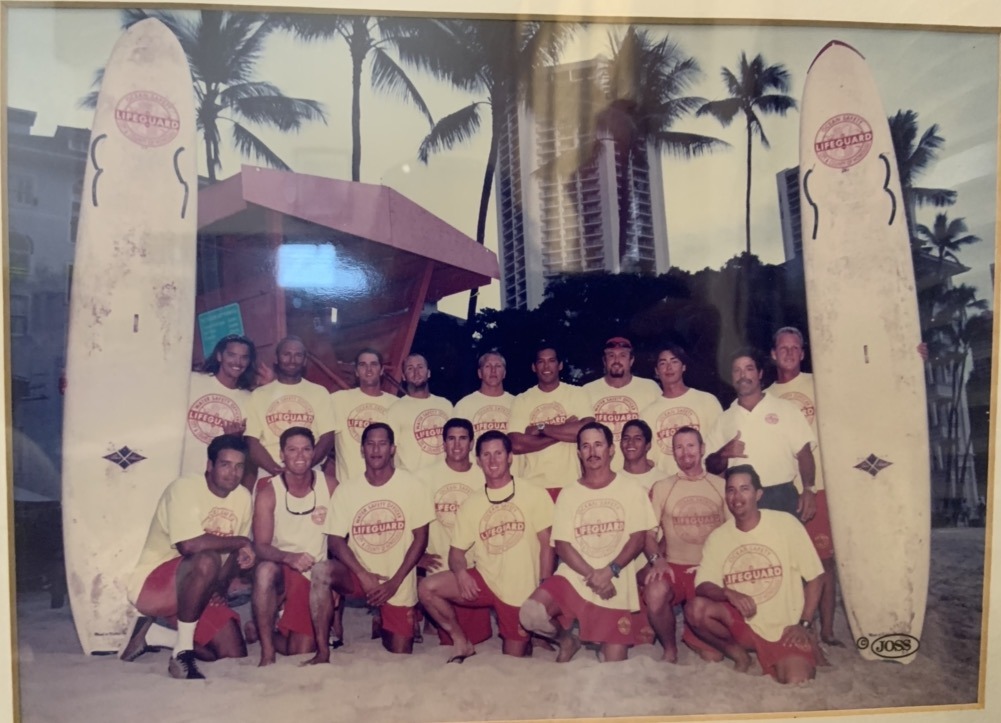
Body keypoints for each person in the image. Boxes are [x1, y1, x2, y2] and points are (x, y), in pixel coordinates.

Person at [519, 422, 656, 663]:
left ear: (611, 450)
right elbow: (562, 544)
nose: (592, 452)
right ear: (579, 453)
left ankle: (599, 637)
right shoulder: (570, 492)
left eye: (598, 445)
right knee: (531, 614)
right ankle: (567, 640)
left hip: (615, 580)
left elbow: (637, 539)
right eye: (586, 446)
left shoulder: (631, 489)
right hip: (577, 575)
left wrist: (610, 571)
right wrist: (594, 575)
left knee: (614, 664)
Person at [122, 434, 256, 679]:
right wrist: (243, 541)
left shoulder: (243, 498)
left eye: (239, 467)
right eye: (225, 464)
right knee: (207, 558)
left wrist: (221, 588)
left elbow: (232, 554)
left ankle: (154, 635)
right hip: (154, 586)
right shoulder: (184, 488)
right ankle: (182, 653)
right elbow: (189, 545)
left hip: (198, 586)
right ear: (210, 465)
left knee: (232, 652)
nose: (232, 473)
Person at [419, 430, 555, 661]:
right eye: (486, 455)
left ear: (510, 457)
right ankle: (461, 641)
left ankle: (531, 635)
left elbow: (547, 545)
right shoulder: (472, 503)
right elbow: (457, 551)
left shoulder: (534, 493)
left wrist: (542, 587)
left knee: (514, 657)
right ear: (479, 461)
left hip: (520, 588)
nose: (493, 460)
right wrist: (461, 572)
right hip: (485, 580)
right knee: (427, 588)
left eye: (498, 453)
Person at [305, 423, 433, 661]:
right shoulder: (347, 490)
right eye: (370, 444)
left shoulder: (413, 485)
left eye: (382, 443)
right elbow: (334, 540)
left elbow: (421, 538)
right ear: (362, 450)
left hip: (396, 580)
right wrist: (363, 574)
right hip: (359, 576)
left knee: (400, 650)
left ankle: (388, 618)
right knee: (321, 571)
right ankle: (322, 651)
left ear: (393, 449)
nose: (376, 450)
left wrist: (394, 582)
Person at [686, 465, 824, 684]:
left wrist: (804, 623)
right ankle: (739, 655)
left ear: (758, 494)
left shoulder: (786, 524)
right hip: (746, 628)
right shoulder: (719, 537)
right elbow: (702, 585)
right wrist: (728, 593)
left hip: (784, 630)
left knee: (797, 681)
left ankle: (794, 654)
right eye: (731, 490)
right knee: (696, 609)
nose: (737, 497)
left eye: (744, 489)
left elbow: (816, 578)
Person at [767, 326, 842, 646]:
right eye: (782, 348)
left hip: (820, 484)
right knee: (789, 562)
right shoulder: (766, 396)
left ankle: (826, 629)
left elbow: (865, 383)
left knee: (823, 559)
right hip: (782, 489)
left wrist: (910, 357)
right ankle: (795, 624)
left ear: (803, 352)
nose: (788, 353)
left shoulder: (819, 384)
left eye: (795, 348)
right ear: (773, 354)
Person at [249, 427, 338, 666]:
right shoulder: (269, 493)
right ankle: (267, 652)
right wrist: (288, 557)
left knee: (299, 651)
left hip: (315, 576)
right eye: (292, 450)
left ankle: (260, 626)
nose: (300, 456)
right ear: (281, 454)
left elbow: (342, 536)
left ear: (314, 453)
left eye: (306, 449)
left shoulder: (329, 485)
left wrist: (336, 578)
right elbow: (260, 547)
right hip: (283, 569)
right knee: (264, 571)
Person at [642, 426, 728, 662]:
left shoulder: (720, 486)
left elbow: (733, 534)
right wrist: (657, 560)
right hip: (675, 567)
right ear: (673, 453)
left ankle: (694, 635)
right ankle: (670, 648)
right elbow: (648, 535)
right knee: (655, 591)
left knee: (714, 657)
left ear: (702, 449)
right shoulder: (662, 487)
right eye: (678, 447)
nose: (685, 452)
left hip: (710, 570)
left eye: (690, 445)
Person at [704, 348, 816, 520]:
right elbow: (710, 466)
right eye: (737, 370)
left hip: (781, 495)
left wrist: (809, 489)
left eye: (749, 369)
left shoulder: (786, 409)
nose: (743, 376)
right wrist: (724, 453)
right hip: (741, 501)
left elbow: (804, 453)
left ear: (760, 373)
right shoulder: (723, 419)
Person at [417, 417, 493, 647]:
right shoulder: (424, 477)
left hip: (476, 567)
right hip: (439, 565)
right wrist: (418, 557)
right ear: (443, 443)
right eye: (451, 439)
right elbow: (410, 519)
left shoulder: (485, 475)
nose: (457, 445)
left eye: (463, 439)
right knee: (449, 638)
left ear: (472, 444)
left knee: (480, 637)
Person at [508, 344, 594, 499]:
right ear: (534, 367)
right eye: (541, 362)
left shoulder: (577, 393)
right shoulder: (522, 399)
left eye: (552, 361)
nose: (546, 366)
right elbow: (516, 444)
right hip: (533, 487)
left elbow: (587, 431)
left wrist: (541, 428)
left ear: (560, 365)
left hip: (571, 484)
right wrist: (565, 429)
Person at [247, 336, 335, 478]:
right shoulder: (259, 395)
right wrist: (276, 470)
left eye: (298, 355)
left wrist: (302, 466)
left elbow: (327, 437)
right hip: (269, 473)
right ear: (276, 358)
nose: (292, 360)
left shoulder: (319, 393)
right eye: (286, 354)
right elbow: (252, 440)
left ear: (304, 361)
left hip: (310, 472)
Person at [181, 334, 258, 487]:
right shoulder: (193, 380)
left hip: (215, 482)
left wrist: (233, 439)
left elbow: (247, 452)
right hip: (180, 471)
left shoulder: (250, 399)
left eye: (244, 357)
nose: (237, 362)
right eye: (231, 355)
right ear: (219, 356)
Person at [640, 344, 723, 476]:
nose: (669, 367)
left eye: (674, 361)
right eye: (663, 363)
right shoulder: (647, 414)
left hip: (706, 480)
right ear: (656, 371)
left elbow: (721, 444)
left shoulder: (707, 401)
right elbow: (648, 460)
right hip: (668, 486)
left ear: (684, 366)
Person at [584, 337, 661, 473]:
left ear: (631, 360)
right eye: (611, 355)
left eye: (623, 355)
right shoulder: (587, 391)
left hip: (640, 472)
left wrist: (655, 460)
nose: (617, 360)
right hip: (601, 473)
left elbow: (659, 429)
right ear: (604, 361)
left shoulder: (650, 388)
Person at [330, 348, 397, 485]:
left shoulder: (396, 404)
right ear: (356, 371)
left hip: (387, 486)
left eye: (373, 364)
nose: (368, 369)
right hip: (349, 487)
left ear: (382, 370)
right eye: (362, 365)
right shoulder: (338, 400)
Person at [386, 353, 455, 473]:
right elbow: (389, 452)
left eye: (420, 367)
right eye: (410, 368)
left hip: (442, 477)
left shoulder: (445, 405)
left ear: (428, 373)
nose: (416, 372)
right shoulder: (395, 410)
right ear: (403, 376)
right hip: (411, 481)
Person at [454, 351, 515, 438]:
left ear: (504, 373)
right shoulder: (464, 405)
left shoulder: (516, 403)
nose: (493, 370)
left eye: (498, 366)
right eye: (487, 366)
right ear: (479, 373)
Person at [617, 419, 662, 493]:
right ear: (620, 444)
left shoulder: (663, 480)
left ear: (648, 445)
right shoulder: (612, 482)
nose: (630, 442)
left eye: (637, 439)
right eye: (626, 438)